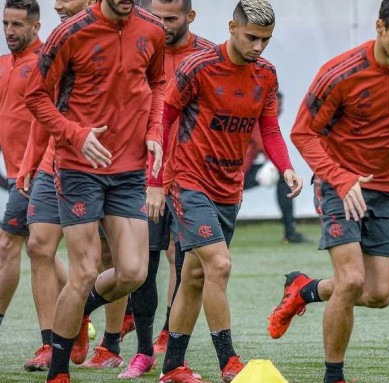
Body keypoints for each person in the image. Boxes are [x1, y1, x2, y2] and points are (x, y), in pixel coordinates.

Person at [266, 1, 389, 382]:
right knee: (353, 280)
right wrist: (339, 178)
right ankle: (334, 376)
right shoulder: (340, 72)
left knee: (379, 294)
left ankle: (303, 290)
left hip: (388, 187)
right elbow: (303, 132)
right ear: (379, 26)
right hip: (338, 186)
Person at [157, 1, 302, 382]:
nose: (258, 47)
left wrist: (286, 167)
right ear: (231, 27)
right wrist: (158, 175)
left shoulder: (266, 74)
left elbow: (269, 129)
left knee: (193, 276)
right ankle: (229, 361)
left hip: (228, 187)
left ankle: (172, 366)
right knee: (219, 265)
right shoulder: (198, 67)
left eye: (265, 40)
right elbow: (165, 114)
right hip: (188, 181)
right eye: (252, 37)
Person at [25, 0, 166, 380]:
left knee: (134, 271)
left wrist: (154, 132)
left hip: (129, 168)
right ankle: (58, 372)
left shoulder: (153, 29)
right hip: (78, 168)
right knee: (84, 269)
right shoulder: (69, 32)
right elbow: (35, 95)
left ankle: (82, 309)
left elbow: (159, 84)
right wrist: (75, 134)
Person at [14, 0, 129, 372]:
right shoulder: (60, 41)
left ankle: (109, 344)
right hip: (57, 161)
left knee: (111, 259)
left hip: (108, 162)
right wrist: (30, 162)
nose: (58, 4)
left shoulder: (122, 35)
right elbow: (41, 107)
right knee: (38, 245)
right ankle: (51, 342)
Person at [111, 0, 215, 378]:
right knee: (144, 266)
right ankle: (142, 351)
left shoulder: (209, 56)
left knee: (188, 267)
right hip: (143, 175)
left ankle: (173, 345)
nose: (163, 25)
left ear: (190, 16)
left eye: (171, 18)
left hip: (191, 179)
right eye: (157, 18)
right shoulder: (140, 47)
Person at [0, 0, 42, 331]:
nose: (10, 32)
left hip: (35, 174)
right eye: (5, 24)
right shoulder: (4, 64)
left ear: (36, 27)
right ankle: (81, 311)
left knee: (6, 245)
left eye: (17, 25)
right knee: (40, 250)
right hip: (15, 172)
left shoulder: (45, 64)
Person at [243, 91, 308, 244]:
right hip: (234, 173)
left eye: (280, 107)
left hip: (239, 171)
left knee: (282, 177)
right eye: (275, 107)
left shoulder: (254, 119)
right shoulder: (258, 122)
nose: (278, 111)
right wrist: (284, 168)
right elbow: (267, 146)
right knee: (283, 177)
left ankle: (290, 232)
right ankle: (290, 232)